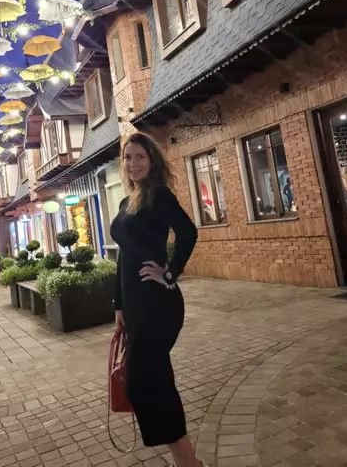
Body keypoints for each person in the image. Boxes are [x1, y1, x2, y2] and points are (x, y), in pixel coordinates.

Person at [110, 132, 204, 467]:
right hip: (136, 306)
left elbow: (188, 233)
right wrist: (119, 305)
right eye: (128, 157)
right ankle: (188, 462)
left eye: (140, 157)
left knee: (148, 385)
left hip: (157, 304)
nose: (133, 163)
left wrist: (169, 273)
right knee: (150, 384)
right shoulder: (127, 203)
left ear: (152, 161)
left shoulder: (159, 195)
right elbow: (124, 257)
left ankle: (189, 463)